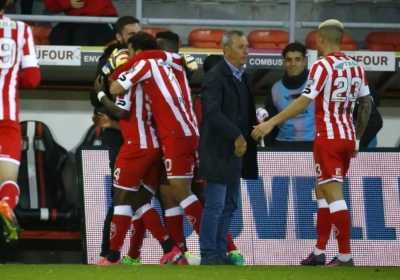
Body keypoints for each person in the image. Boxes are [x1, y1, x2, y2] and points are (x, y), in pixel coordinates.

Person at [251, 19, 372, 266]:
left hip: (327, 138)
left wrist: (271, 123)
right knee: (321, 190)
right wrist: (357, 137)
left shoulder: (322, 66)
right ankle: (319, 251)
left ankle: (346, 256)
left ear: (321, 39)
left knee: (334, 194)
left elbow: (303, 102)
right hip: (347, 137)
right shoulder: (356, 67)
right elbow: (367, 105)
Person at [94, 33, 186, 266]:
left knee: (122, 198)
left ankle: (113, 257)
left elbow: (123, 111)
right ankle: (171, 250)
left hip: (136, 146)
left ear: (136, 50)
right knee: (139, 201)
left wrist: (101, 94)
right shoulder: (157, 74)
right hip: (154, 144)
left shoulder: (132, 75)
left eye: (131, 50)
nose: (130, 56)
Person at [109, 34, 205, 251]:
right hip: (174, 136)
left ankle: (202, 247)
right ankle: (174, 251)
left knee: (173, 195)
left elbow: (119, 100)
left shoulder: (146, 64)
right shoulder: (177, 65)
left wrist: (106, 81)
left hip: (157, 139)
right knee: (165, 198)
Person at [198, 30, 258, 265]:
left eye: (247, 47)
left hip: (236, 151)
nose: (246, 51)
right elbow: (211, 113)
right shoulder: (215, 77)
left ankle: (220, 252)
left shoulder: (242, 76)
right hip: (218, 151)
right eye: (241, 47)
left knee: (229, 204)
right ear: (226, 50)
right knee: (215, 204)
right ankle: (208, 253)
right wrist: (237, 135)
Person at [90, 15, 141, 261]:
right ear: (119, 37)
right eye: (130, 34)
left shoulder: (145, 59)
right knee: (121, 196)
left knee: (155, 196)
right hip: (120, 139)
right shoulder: (110, 60)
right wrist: (112, 118)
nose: (135, 37)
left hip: (144, 136)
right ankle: (108, 253)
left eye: (138, 32)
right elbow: (95, 94)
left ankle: (171, 251)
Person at [0, 0, 41, 263]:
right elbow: (34, 79)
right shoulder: (21, 29)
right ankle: (5, 203)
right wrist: (13, 77)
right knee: (7, 181)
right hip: (7, 117)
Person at [264, 42, 314, 148]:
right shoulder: (275, 89)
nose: (293, 64)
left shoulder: (317, 85)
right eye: (288, 60)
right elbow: (269, 125)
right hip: (283, 146)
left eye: (297, 59)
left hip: (313, 146)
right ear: (283, 62)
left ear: (305, 61)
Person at [43, 0, 118, 46]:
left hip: (103, 18)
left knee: (80, 35)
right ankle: (58, 71)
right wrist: (67, 2)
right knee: (57, 34)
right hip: (75, 19)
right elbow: (50, 4)